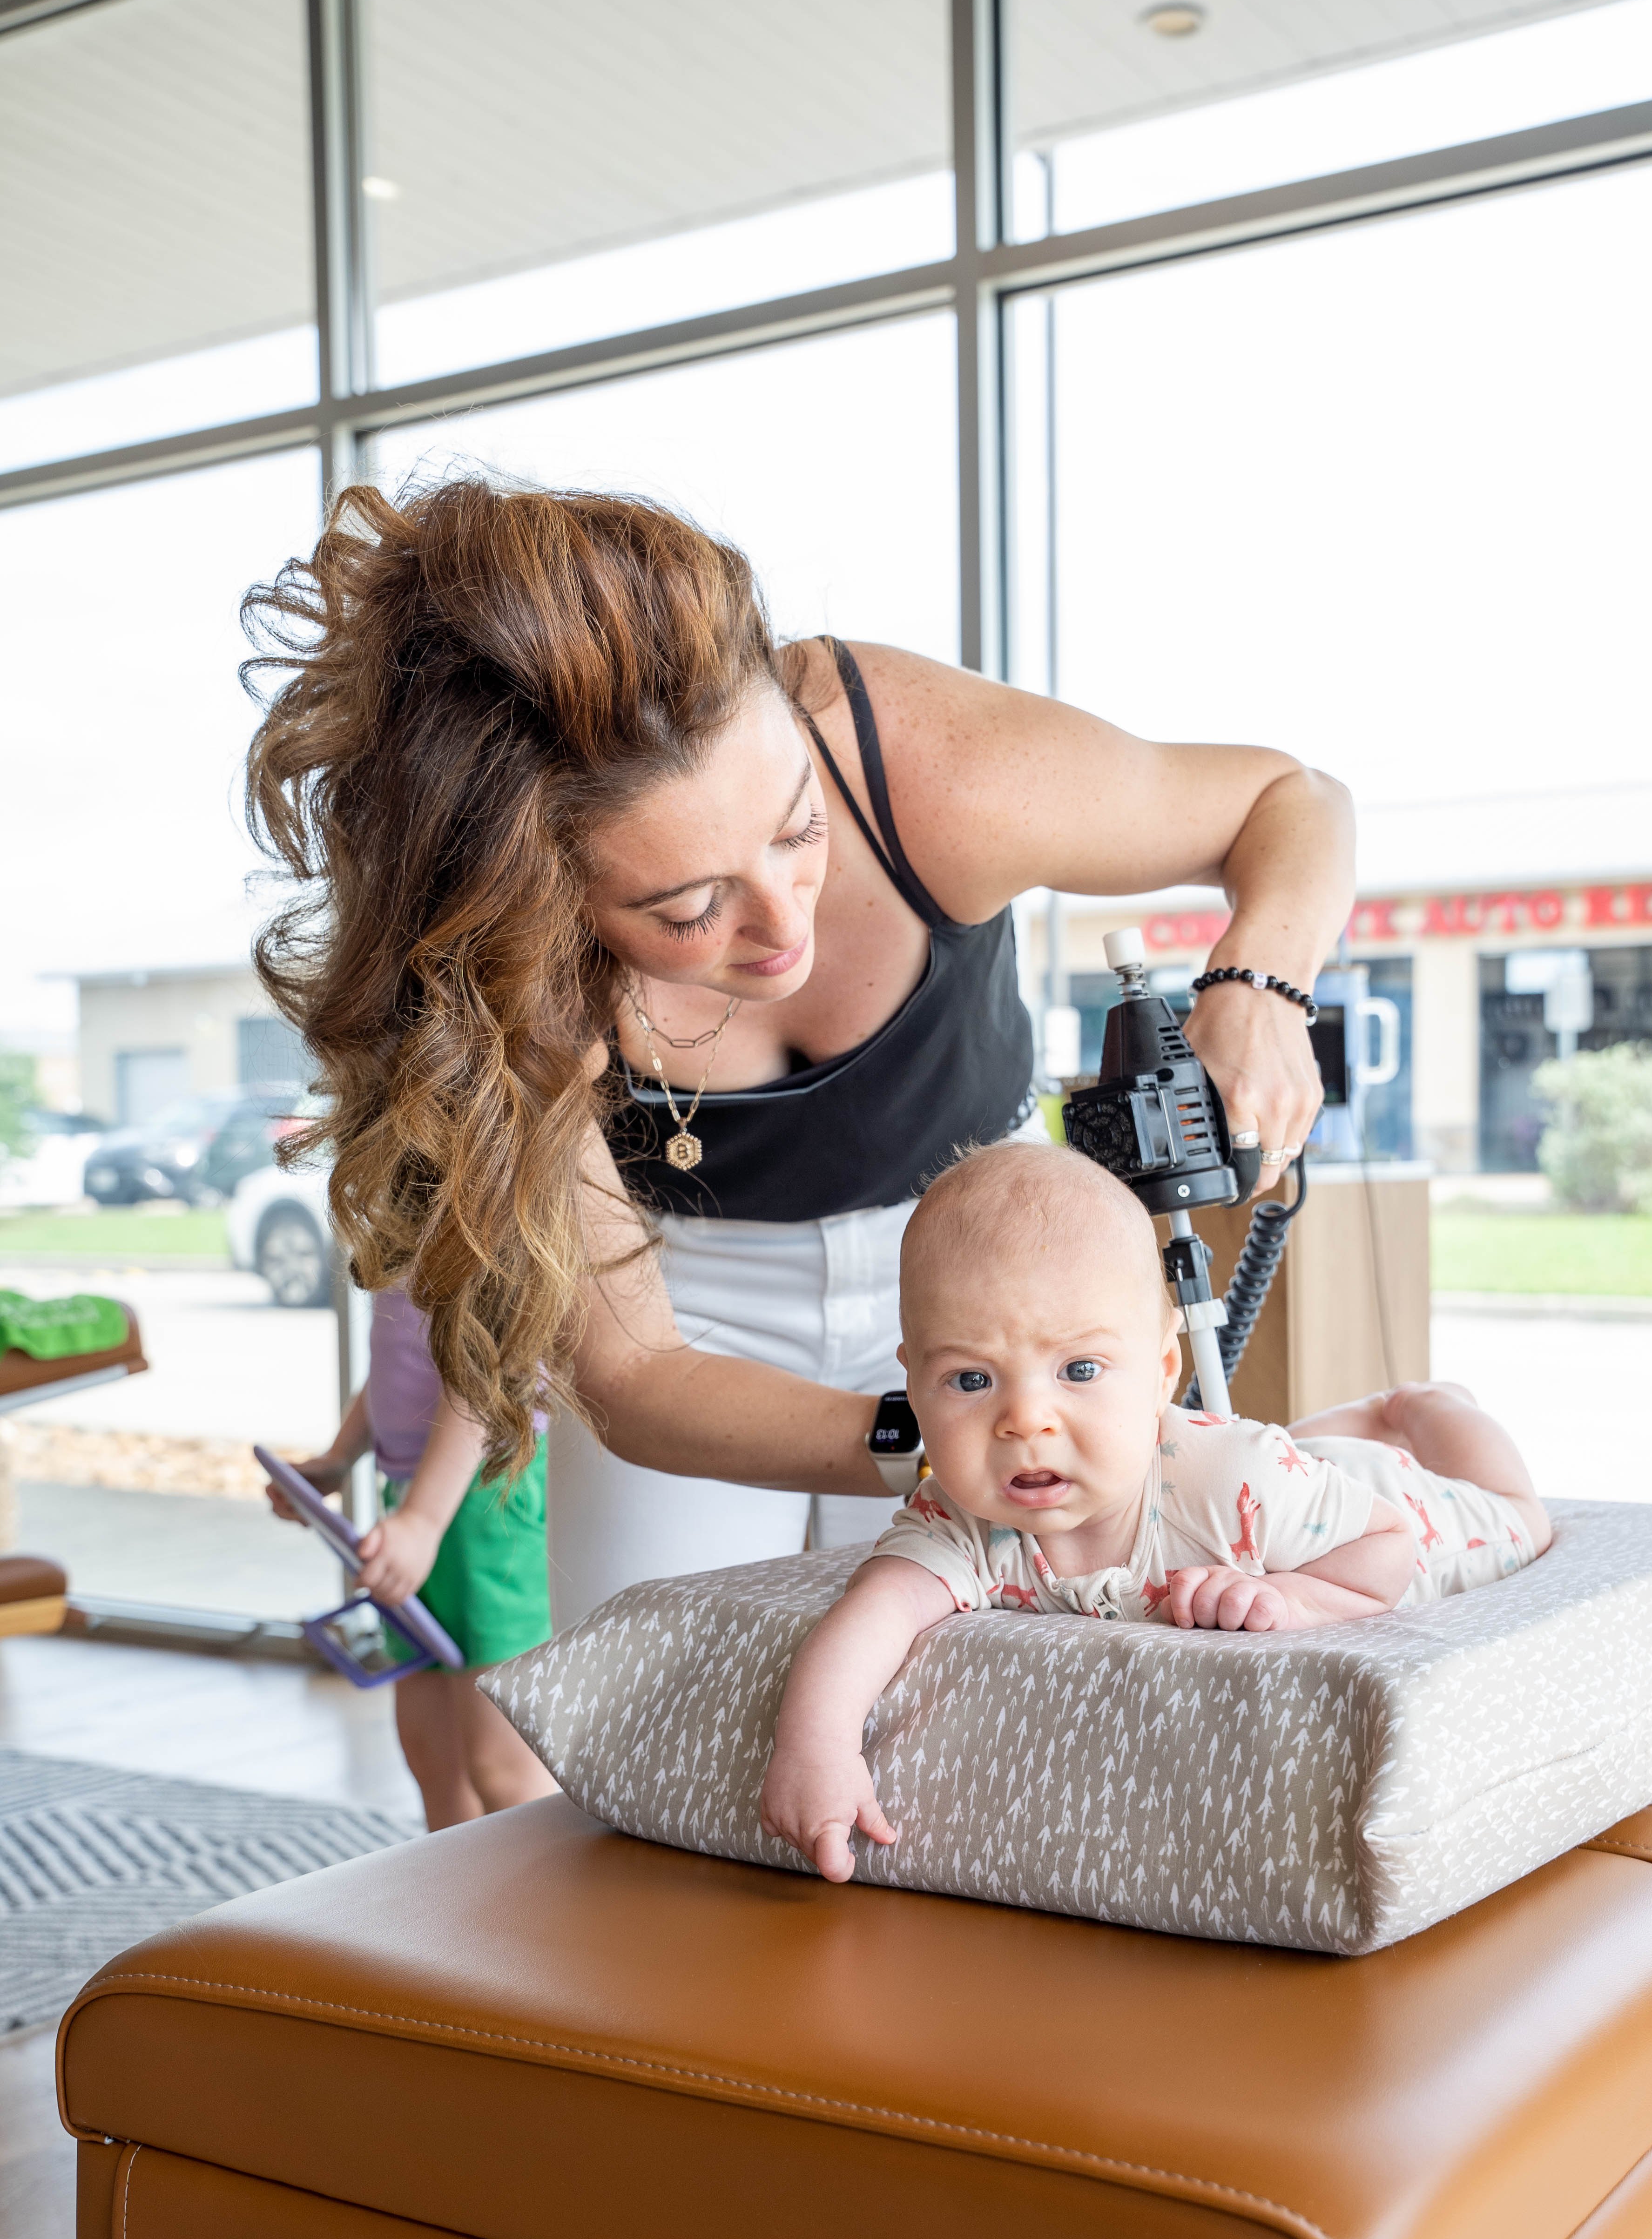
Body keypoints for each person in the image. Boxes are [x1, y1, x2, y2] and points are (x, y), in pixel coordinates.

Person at [243, 478, 1356, 1626]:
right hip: (680, 1308)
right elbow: (631, 1379)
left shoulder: (921, 769)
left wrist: (1260, 982)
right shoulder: (514, 989)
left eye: (794, 829)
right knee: (658, 1702)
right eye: (688, 909)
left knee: (987, 1709)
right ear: (543, 904)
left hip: (983, 1276)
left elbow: (1290, 801)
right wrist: (919, 1435)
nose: (786, 927)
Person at [759, 1147, 1551, 1880]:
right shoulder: (959, 1518)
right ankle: (1335, 1430)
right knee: (1283, 1466)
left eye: (1080, 1369)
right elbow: (876, 1610)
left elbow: (1389, 1541)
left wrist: (1294, 1598)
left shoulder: (1236, 1478)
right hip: (1271, 1486)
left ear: (1164, 1367)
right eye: (970, 1381)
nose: (1025, 1420)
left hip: (1382, 1503)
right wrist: (817, 1744)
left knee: (1516, 1519)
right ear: (915, 1388)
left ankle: (1418, 1406)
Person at [276, 1288, 556, 1830]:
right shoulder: (409, 1219)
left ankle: (540, 1913)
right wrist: (340, 1458)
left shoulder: (477, 1212)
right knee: (434, 1759)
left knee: (503, 1769)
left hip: (491, 1497)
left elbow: (483, 1370)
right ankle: (454, 1908)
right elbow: (397, 1357)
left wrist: (423, 1521)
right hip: (410, 1496)